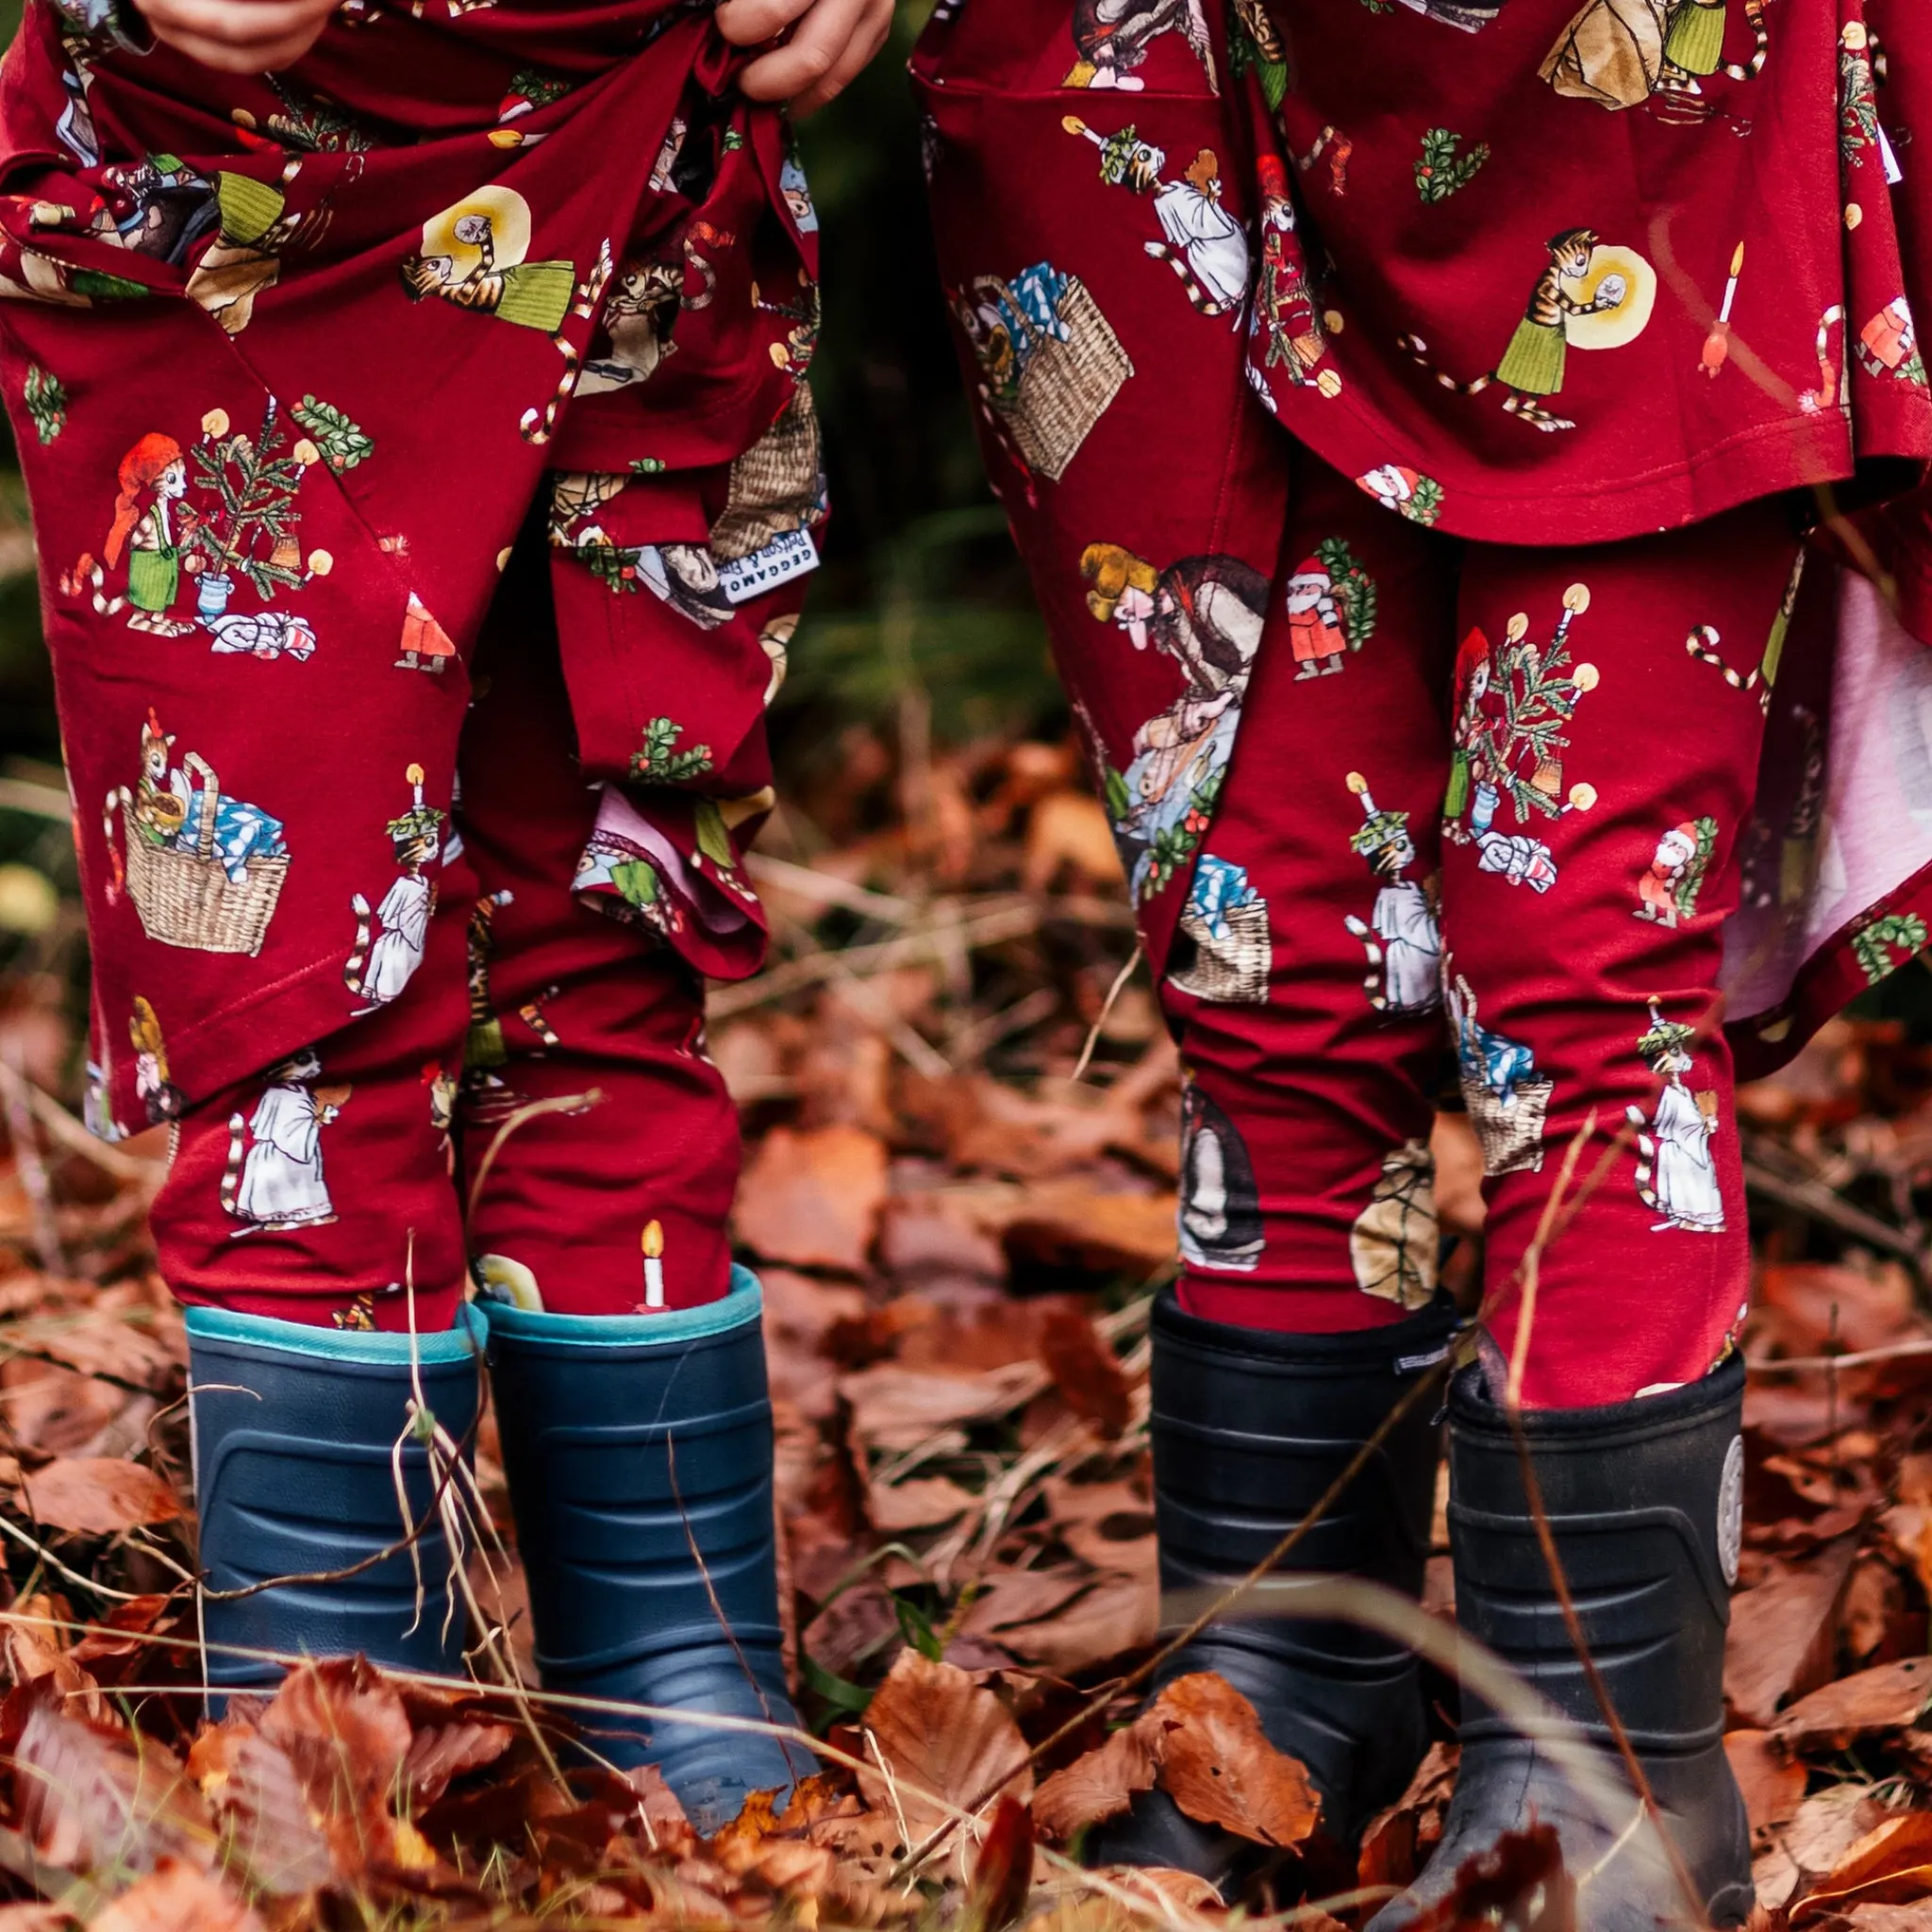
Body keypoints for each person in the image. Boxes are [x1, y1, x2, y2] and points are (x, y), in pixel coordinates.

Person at [914, 0, 1932, 1919]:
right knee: (1270, 958)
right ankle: (1289, 1694)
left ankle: (1597, 1761)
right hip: (1154, 96)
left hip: (1638, 118)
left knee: (1582, 971)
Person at [0, 0, 887, 1830]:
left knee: (607, 913)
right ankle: (344, 1675)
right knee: (282, 956)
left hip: (642, 114)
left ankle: (666, 1650)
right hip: (229, 154)